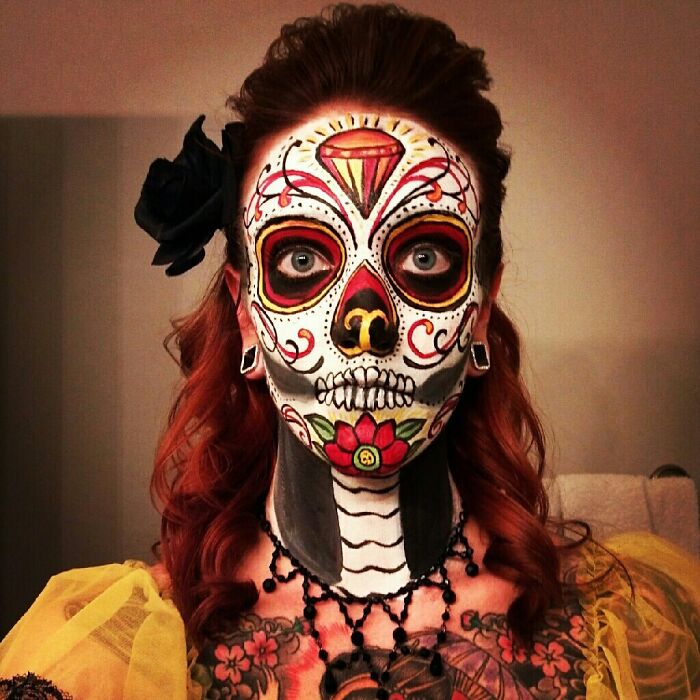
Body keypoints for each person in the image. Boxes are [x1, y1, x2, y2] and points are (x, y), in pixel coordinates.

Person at [1, 5, 698, 699]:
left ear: (482, 310)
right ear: (246, 314)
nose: (364, 321)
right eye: (301, 260)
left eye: (425, 257)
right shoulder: (105, 658)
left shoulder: (634, 625)